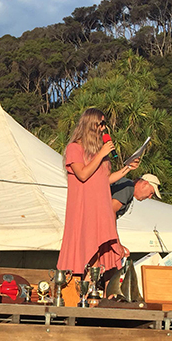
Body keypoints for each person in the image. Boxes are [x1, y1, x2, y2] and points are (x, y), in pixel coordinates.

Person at [57, 108, 137, 275]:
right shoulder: (75, 148)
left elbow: (105, 180)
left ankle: (93, 289)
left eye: (104, 125)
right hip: (84, 207)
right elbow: (83, 174)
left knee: (100, 250)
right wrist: (101, 154)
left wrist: (127, 168)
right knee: (87, 248)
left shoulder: (100, 153)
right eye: (100, 124)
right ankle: (84, 291)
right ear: (90, 124)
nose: (103, 129)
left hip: (101, 207)